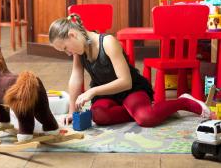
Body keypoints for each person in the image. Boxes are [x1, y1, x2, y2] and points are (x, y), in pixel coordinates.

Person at [48, 13, 210, 126]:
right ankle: (151, 111)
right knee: (98, 116)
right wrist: (71, 112)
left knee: (146, 119)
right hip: (106, 94)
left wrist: (93, 91)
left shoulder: (107, 42)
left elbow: (125, 82)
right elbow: (76, 78)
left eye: (65, 48)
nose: (68, 53)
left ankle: (183, 102)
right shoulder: (79, 51)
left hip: (130, 89)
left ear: (72, 35)